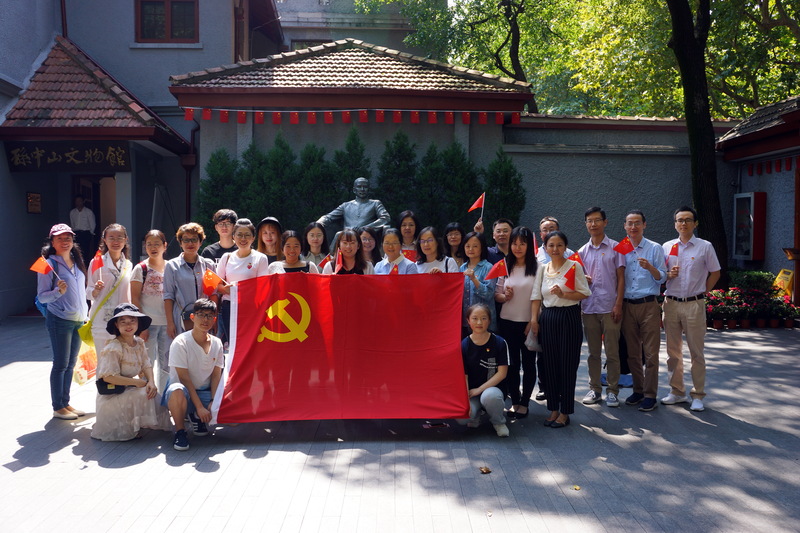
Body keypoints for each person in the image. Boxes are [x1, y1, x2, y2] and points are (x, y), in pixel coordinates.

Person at [661, 206, 721, 412]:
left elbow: (715, 272)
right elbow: (660, 273)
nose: (683, 223)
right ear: (675, 224)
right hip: (671, 303)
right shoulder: (667, 247)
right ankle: (677, 392)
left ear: (695, 223)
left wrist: (704, 291)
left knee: (696, 351)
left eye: (688, 220)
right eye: (680, 220)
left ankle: (698, 394)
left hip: (694, 304)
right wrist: (668, 274)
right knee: (672, 352)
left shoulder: (705, 246)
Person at [530, 231, 591, 428]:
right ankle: (553, 409)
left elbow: (584, 293)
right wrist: (534, 320)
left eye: (559, 245)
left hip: (568, 317)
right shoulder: (542, 268)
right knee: (549, 365)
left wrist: (564, 294)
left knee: (567, 365)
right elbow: (536, 296)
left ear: (565, 247)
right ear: (545, 248)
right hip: (547, 318)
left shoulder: (574, 266)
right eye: (551, 245)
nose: (555, 249)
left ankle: (565, 411)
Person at [91, 304, 172, 441]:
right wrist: (136, 382)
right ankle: (123, 426)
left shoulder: (138, 342)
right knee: (143, 393)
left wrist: (151, 382)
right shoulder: (113, 347)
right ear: (116, 325)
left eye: (132, 321)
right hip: (112, 395)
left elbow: (146, 364)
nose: (128, 325)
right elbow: (108, 377)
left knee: (152, 393)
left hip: (128, 388)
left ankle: (135, 424)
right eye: (123, 322)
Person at [37, 223, 89, 420]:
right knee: (60, 363)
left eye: (68, 238)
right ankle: (58, 407)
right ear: (52, 242)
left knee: (70, 363)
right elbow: (42, 297)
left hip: (78, 320)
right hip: (59, 319)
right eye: (60, 238)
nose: (65, 241)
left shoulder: (77, 262)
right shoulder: (48, 264)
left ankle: (65, 403)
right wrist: (58, 291)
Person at [578, 208, 626, 408]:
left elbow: (621, 278)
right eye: (589, 220)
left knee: (613, 352)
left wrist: (618, 304)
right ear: (586, 224)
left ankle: (613, 391)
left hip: (609, 307)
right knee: (593, 353)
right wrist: (583, 278)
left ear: (605, 222)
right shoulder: (581, 252)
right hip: (589, 308)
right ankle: (595, 389)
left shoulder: (616, 247)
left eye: (597, 220)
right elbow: (577, 280)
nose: (593, 224)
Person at [620, 210, 667, 412]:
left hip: (648, 304)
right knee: (632, 353)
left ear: (644, 225)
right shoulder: (621, 248)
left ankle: (650, 394)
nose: (633, 227)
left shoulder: (654, 248)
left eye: (637, 223)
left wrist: (650, 268)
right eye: (629, 223)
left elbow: (663, 277)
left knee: (651, 353)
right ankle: (638, 390)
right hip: (627, 305)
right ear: (625, 226)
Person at [163, 298, 224, 451]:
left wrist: (213, 401)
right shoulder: (180, 342)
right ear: (192, 317)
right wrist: (200, 407)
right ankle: (180, 431)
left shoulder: (217, 343)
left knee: (234, 419)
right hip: (183, 392)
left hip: (205, 392)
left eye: (209, 316)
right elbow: (184, 378)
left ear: (214, 319)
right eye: (201, 315)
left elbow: (216, 375)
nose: (205, 320)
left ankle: (196, 417)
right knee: (176, 390)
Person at [494, 226, 539, 418]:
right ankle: (514, 401)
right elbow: (497, 294)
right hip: (507, 323)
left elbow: (540, 297)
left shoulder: (538, 267)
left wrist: (533, 320)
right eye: (514, 243)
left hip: (528, 323)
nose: (517, 247)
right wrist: (505, 296)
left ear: (529, 245)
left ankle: (525, 402)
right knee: (511, 364)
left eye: (522, 243)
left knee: (529, 364)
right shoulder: (504, 265)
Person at [458, 303, 510, 438]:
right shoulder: (464, 345)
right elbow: (464, 375)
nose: (479, 322)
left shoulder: (499, 342)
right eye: (475, 318)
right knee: (461, 418)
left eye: (484, 318)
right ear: (468, 321)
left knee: (490, 396)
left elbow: (502, 373)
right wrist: (465, 396)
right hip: (472, 392)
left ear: (490, 320)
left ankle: (498, 422)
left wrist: (480, 389)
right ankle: (476, 415)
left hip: (493, 390)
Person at [217, 219, 270, 343]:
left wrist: (239, 290)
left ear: (253, 238)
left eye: (247, 235)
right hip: (229, 306)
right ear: (233, 237)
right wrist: (224, 290)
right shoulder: (227, 257)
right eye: (239, 235)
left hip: (251, 307)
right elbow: (217, 284)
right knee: (232, 344)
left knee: (249, 343)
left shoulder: (260, 258)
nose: (243, 238)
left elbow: (263, 286)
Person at [131, 230, 170, 391]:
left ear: (165, 246)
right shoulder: (140, 269)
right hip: (149, 325)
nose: (153, 248)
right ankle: (146, 398)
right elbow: (134, 298)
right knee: (146, 364)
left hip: (168, 324)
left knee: (166, 364)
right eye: (149, 244)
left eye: (157, 244)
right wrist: (142, 326)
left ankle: (164, 399)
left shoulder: (171, 267)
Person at [163, 223, 216, 339]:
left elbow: (213, 293)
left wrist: (214, 318)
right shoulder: (172, 266)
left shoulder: (209, 265)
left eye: (194, 239)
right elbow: (168, 296)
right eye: (186, 240)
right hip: (181, 318)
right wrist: (170, 323)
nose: (190, 243)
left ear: (200, 242)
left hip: (205, 317)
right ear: (180, 243)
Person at [86, 223, 133, 353]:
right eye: (111, 238)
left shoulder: (128, 265)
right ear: (105, 240)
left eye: (119, 237)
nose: (115, 241)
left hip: (123, 320)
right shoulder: (97, 262)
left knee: (122, 359)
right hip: (102, 320)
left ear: (125, 240)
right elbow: (88, 292)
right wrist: (95, 290)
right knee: (103, 359)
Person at [317, 177, 391, 233]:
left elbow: (386, 218)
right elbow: (328, 217)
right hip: (347, 237)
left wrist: (365, 228)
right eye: (359, 187)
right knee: (339, 235)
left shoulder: (375, 203)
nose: (362, 189)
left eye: (365, 187)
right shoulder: (345, 206)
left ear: (368, 189)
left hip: (366, 236)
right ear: (354, 190)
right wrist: (318, 224)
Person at [459, 231, 496, 337]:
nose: (471, 249)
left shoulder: (488, 267)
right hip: (467, 321)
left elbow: (489, 294)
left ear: (482, 248)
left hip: (484, 323)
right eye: (467, 246)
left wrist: (474, 279)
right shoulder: (462, 268)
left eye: (475, 246)